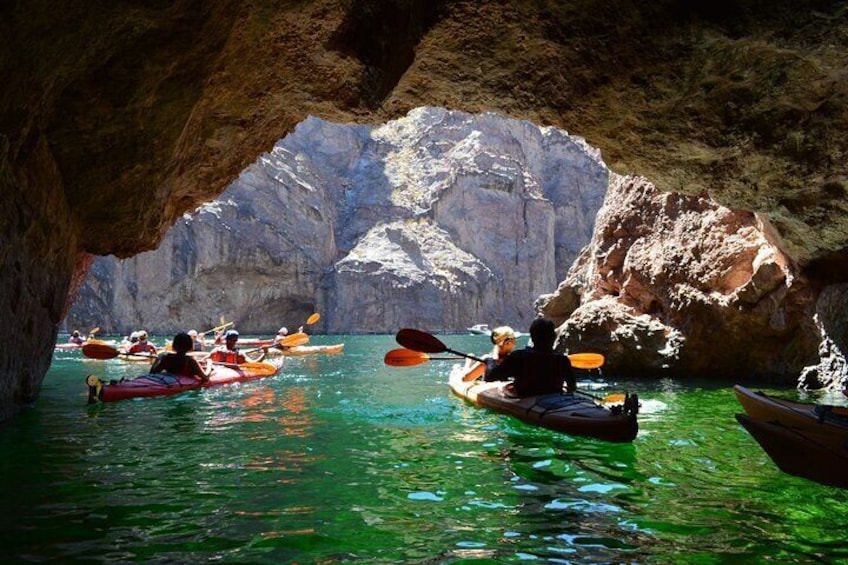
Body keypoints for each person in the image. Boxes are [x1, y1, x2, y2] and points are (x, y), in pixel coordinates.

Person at [484, 318, 575, 397]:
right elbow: (572, 387)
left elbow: (490, 377)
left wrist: (491, 359)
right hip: (554, 400)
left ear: (532, 337)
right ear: (553, 337)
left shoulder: (518, 357)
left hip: (526, 399)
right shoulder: (563, 360)